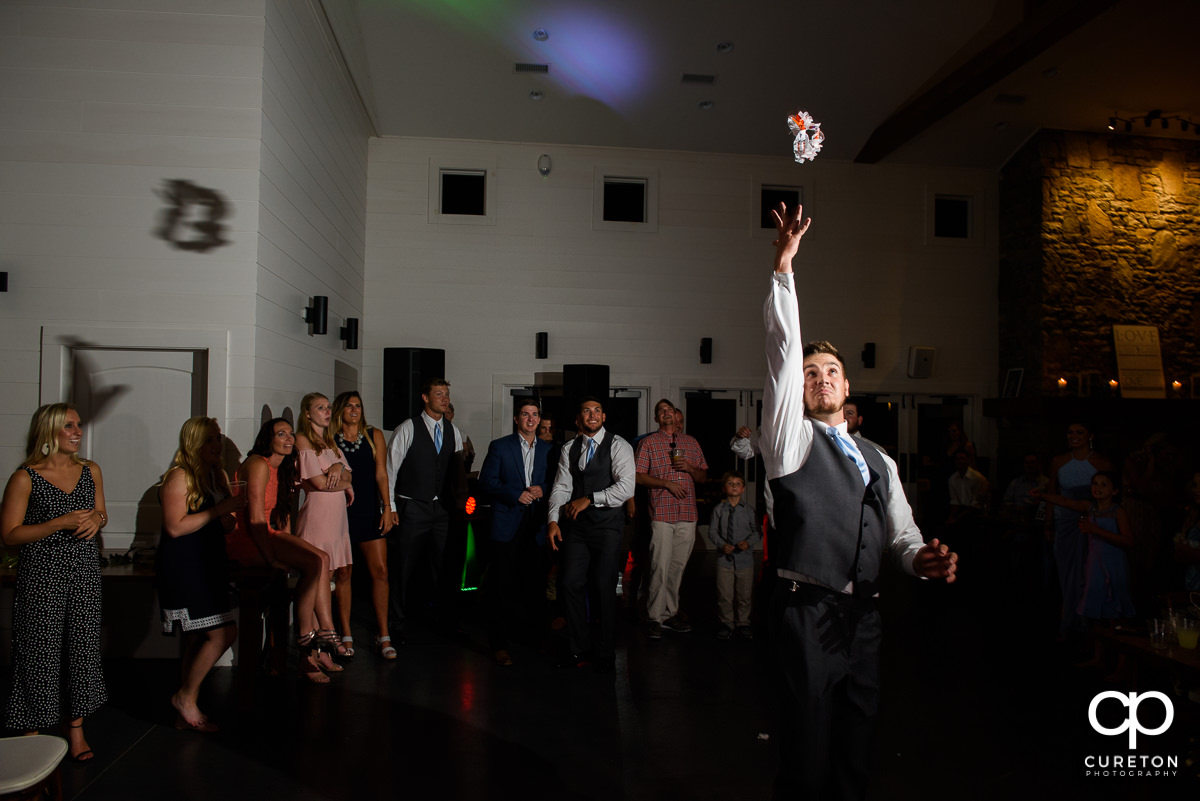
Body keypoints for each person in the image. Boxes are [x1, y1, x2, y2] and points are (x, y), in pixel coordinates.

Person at [762, 203, 957, 800]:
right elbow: (780, 350)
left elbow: (902, 534)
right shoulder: (788, 441)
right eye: (811, 372)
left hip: (866, 619)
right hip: (807, 613)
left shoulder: (879, 457)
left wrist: (920, 559)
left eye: (831, 373)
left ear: (848, 389)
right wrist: (784, 268)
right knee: (807, 746)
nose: (820, 378)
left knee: (857, 741)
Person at [1, 404, 108, 761]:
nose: (77, 431)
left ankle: (75, 729)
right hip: (41, 574)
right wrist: (56, 524)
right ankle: (31, 730)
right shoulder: (24, 477)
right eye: (68, 426)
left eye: (78, 425)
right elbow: (10, 535)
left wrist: (97, 518)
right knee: (38, 651)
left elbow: (101, 512)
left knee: (82, 649)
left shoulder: (90, 470)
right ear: (49, 431)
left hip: (83, 571)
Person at [227, 418, 346, 682]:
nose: (289, 438)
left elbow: (281, 519)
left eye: (291, 434)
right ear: (268, 439)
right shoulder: (259, 464)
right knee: (314, 563)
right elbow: (256, 520)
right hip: (247, 537)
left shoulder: (283, 468)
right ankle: (309, 634)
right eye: (281, 434)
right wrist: (274, 558)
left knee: (321, 558)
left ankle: (323, 630)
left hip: (267, 533)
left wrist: (293, 547)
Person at [157, 417, 244, 731]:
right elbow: (175, 526)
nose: (216, 446)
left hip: (210, 563)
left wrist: (229, 516)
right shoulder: (179, 477)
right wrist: (219, 512)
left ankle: (186, 700)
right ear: (194, 443)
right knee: (222, 632)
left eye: (218, 439)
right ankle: (186, 696)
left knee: (200, 635)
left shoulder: (215, 475)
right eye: (209, 440)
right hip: (185, 565)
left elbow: (225, 523)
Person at [547, 397, 636, 672]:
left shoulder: (619, 445)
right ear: (578, 419)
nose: (592, 414)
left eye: (597, 410)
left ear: (604, 417)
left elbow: (626, 488)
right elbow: (562, 486)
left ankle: (605, 649)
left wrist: (590, 498)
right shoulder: (569, 448)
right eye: (586, 410)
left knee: (603, 586)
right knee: (570, 583)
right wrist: (552, 520)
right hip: (577, 528)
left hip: (608, 525)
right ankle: (578, 647)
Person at [385, 378, 465, 642]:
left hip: (441, 510)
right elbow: (390, 470)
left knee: (442, 566)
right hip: (412, 506)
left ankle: (444, 620)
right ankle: (395, 620)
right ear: (425, 397)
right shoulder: (408, 428)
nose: (444, 399)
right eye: (439, 394)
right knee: (403, 566)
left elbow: (456, 474)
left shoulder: (454, 431)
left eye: (446, 394)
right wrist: (390, 506)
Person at [477, 398, 554, 666]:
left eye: (535, 415)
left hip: (536, 527)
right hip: (506, 524)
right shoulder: (500, 446)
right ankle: (499, 645)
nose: (531, 419)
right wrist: (514, 494)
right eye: (525, 414)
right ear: (516, 419)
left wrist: (542, 488)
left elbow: (556, 480)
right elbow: (486, 481)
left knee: (534, 586)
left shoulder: (548, 449)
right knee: (501, 587)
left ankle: (535, 640)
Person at [1034, 471, 1135, 673]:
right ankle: (1099, 658)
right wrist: (1043, 496)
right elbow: (1064, 501)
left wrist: (1097, 531)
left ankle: (1122, 666)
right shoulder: (1089, 507)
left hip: (1113, 565)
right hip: (1094, 565)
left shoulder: (1118, 512)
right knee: (1095, 613)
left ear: (1114, 490)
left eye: (1104, 484)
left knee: (1116, 616)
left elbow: (1128, 541)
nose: (1097, 487)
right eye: (1095, 483)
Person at [331, 391, 396, 659]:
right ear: (340, 410)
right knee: (344, 574)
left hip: (369, 509)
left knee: (380, 571)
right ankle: (346, 633)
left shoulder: (373, 434)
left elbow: (382, 472)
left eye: (358, 405)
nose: (355, 410)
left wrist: (387, 507)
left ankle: (383, 634)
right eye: (349, 406)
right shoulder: (330, 437)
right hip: (340, 512)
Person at [635, 399, 708, 638]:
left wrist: (690, 467)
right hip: (662, 513)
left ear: (676, 416)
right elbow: (638, 477)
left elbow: (702, 477)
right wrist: (666, 483)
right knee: (659, 565)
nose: (666, 413)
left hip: (687, 513)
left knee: (677, 567)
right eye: (661, 411)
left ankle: (670, 614)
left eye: (669, 410)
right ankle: (654, 616)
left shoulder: (691, 442)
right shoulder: (648, 443)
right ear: (656, 418)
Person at [295, 393, 353, 661]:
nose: (327, 412)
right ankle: (319, 644)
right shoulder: (303, 439)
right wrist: (343, 482)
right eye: (320, 408)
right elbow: (318, 483)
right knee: (316, 581)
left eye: (329, 407)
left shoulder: (330, 441)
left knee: (326, 581)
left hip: (336, 517)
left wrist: (339, 466)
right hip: (318, 516)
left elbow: (351, 475)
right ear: (307, 413)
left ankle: (322, 650)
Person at [1045, 420, 1112, 636]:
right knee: (1065, 572)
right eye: (1070, 432)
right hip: (1063, 521)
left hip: (1091, 520)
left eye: (1079, 432)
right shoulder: (1058, 461)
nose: (1073, 436)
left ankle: (1087, 621)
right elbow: (1050, 493)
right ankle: (1069, 618)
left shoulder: (1102, 463)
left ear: (1090, 436)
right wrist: (1047, 522)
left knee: (1088, 570)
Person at [707, 472, 761, 640]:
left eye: (738, 483)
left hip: (744, 560)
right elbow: (712, 531)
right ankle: (726, 622)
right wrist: (722, 544)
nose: (734, 486)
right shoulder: (718, 510)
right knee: (725, 594)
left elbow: (757, 531)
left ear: (743, 488)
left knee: (744, 595)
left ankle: (743, 623)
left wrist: (748, 543)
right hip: (725, 561)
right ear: (724, 488)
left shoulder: (749, 510)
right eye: (730, 483)